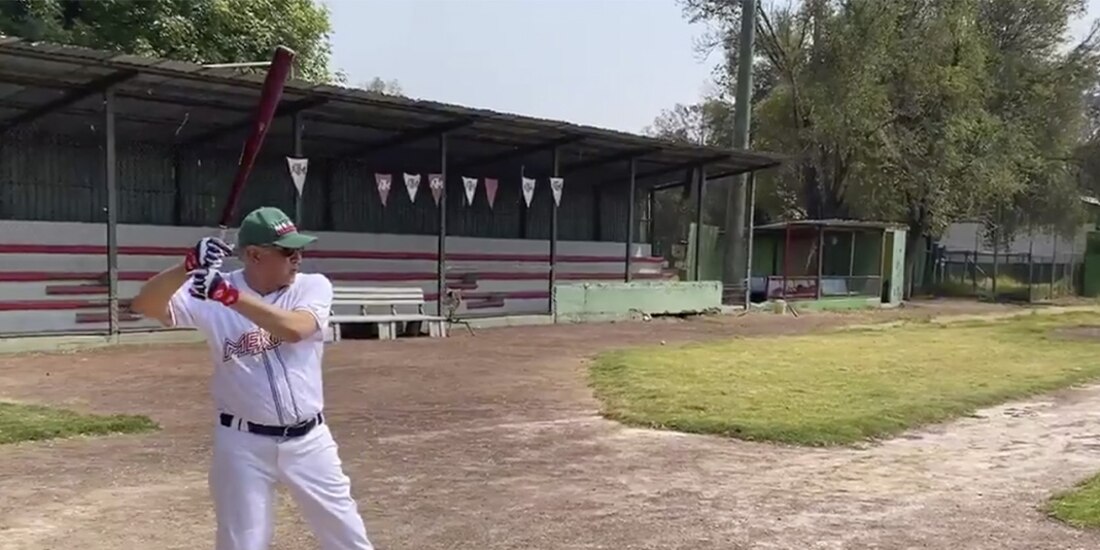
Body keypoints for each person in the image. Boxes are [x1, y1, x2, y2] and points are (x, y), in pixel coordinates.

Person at [130, 206, 374, 550]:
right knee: (241, 543)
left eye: (299, 250)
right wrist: (186, 267)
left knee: (348, 537)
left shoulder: (312, 286)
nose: (298, 259)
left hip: (309, 441)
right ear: (255, 255)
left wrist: (229, 297)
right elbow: (144, 305)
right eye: (287, 252)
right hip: (242, 443)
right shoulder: (213, 290)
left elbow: (295, 329)